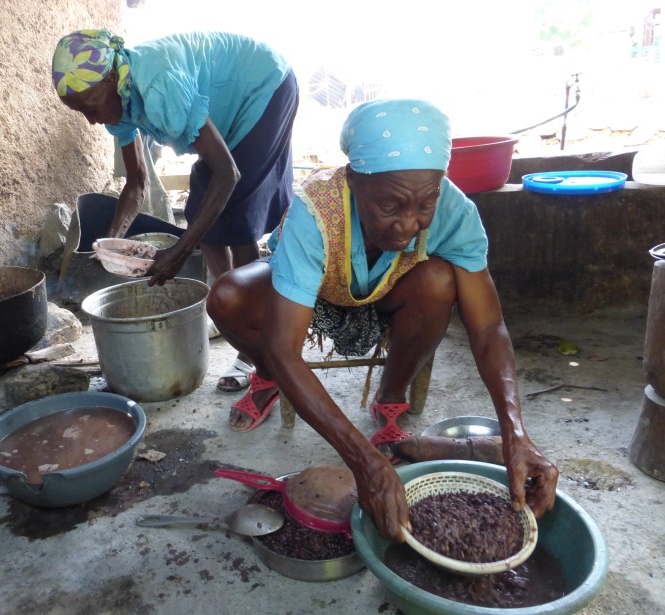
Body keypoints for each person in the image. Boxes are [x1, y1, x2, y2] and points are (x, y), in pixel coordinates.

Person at [206, 98, 559, 540]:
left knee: (438, 281)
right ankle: (268, 378)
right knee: (228, 295)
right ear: (354, 180)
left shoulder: (454, 210)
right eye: (390, 206)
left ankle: (390, 397)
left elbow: (488, 327)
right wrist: (364, 463)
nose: (408, 225)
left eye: (424, 204)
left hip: (390, 292)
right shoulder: (316, 211)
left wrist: (515, 432)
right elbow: (285, 347)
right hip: (309, 295)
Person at [52, 29, 299, 392]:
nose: (91, 119)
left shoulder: (158, 87)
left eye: (90, 105)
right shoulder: (117, 101)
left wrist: (179, 252)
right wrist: (111, 242)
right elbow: (137, 183)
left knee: (238, 217)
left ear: (110, 77)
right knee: (205, 213)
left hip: (263, 88)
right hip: (228, 112)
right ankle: (231, 307)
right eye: (80, 112)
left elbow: (228, 174)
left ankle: (255, 343)